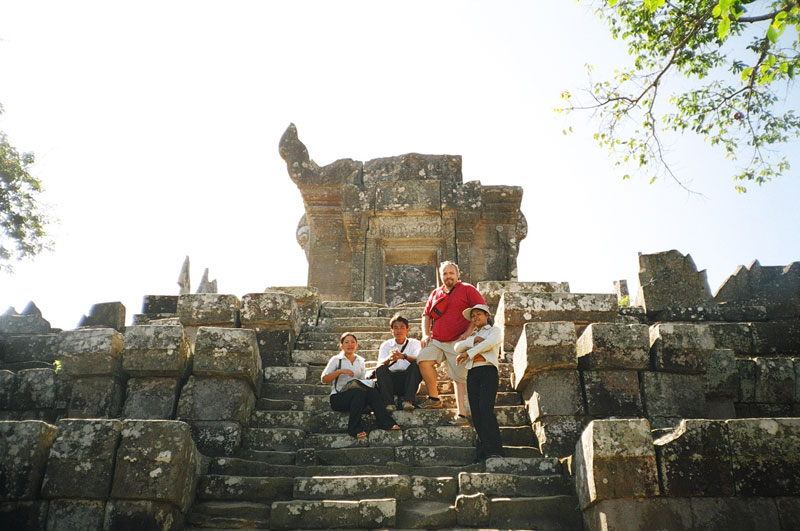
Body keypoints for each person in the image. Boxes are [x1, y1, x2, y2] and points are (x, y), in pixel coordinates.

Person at [417, 260, 487, 424]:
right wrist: (426, 334)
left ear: (457, 275)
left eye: (451, 273)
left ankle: (461, 414)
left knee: (459, 377)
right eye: (445, 274)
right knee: (423, 360)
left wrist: (469, 332)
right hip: (437, 340)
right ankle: (434, 398)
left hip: (458, 341)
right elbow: (426, 315)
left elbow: (481, 309)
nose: (448, 276)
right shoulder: (436, 293)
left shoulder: (468, 289)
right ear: (440, 276)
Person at [321, 332, 400, 438]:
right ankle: (354, 429)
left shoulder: (360, 361)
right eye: (347, 342)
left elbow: (362, 381)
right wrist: (340, 371)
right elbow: (324, 379)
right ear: (341, 346)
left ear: (357, 345)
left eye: (353, 342)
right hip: (338, 398)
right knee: (358, 393)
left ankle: (385, 422)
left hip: (357, 397)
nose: (350, 345)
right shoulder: (336, 360)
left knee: (371, 391)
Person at [455, 304, 505, 460]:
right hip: (473, 373)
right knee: (476, 413)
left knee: (485, 409)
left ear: (487, 315)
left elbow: (488, 344)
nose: (476, 318)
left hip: (488, 371)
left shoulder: (494, 331)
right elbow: (457, 346)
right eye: (473, 316)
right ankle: (483, 450)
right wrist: (473, 340)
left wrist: (468, 353)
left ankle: (495, 449)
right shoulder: (472, 335)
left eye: (479, 314)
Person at [376, 314, 422, 412]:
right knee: (381, 368)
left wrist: (404, 356)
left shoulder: (415, 343)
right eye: (396, 328)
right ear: (391, 331)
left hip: (408, 381)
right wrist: (389, 359)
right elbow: (379, 365)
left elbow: (419, 359)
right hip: (391, 381)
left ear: (407, 330)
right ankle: (389, 403)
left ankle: (408, 401)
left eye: (402, 328)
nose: (399, 331)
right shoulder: (386, 345)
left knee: (416, 366)